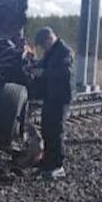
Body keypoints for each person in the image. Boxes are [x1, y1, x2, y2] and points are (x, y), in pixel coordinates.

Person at [33, 27, 73, 180]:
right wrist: (35, 67)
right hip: (50, 97)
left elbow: (65, 72)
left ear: (49, 39)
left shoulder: (64, 52)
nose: (43, 49)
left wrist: (43, 73)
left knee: (56, 131)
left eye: (43, 45)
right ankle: (47, 163)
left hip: (61, 98)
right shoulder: (51, 52)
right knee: (46, 129)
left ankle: (58, 165)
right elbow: (44, 64)